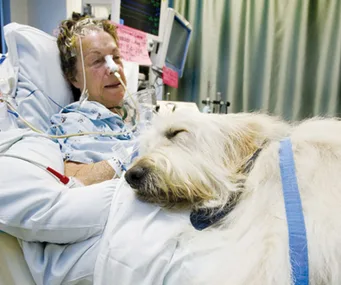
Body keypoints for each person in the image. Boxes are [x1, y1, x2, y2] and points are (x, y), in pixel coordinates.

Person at [49, 15, 141, 186]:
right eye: (97, 61)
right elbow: (77, 179)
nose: (114, 69)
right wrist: (139, 152)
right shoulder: (77, 123)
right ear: (73, 77)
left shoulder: (135, 112)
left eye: (116, 57)